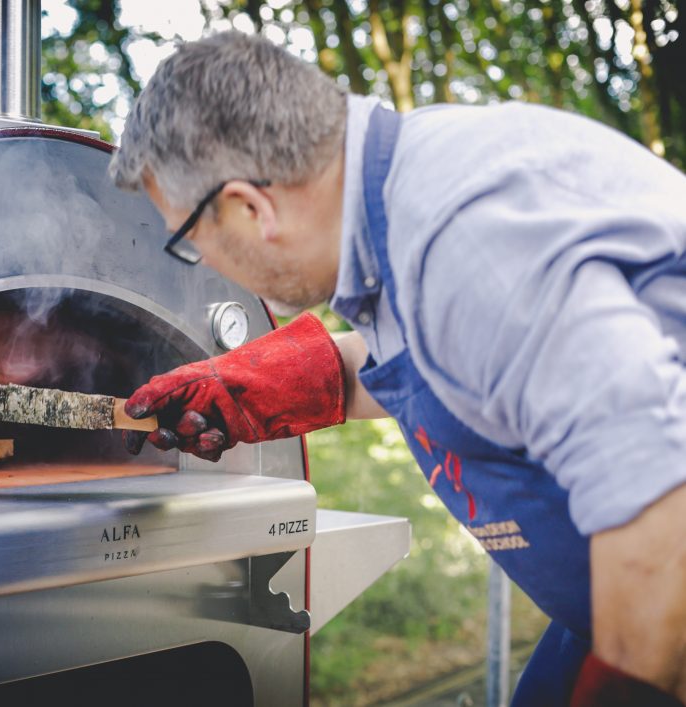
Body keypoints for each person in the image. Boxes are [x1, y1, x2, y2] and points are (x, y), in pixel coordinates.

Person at [109, 31, 686, 706]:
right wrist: (252, 390)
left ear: (250, 207)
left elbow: (660, 504)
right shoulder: (401, 206)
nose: (205, 263)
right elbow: (455, 360)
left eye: (189, 241)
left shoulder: (465, 245)